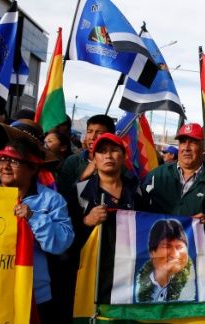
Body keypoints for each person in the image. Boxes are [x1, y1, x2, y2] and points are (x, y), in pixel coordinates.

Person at [54, 133, 147, 323]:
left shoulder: (138, 192)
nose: (108, 156)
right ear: (93, 158)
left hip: (127, 280)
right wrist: (85, 222)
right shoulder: (78, 192)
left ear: (124, 156)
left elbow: (151, 229)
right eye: (102, 152)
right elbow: (63, 239)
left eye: (114, 150)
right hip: (89, 279)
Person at [0, 137, 74, 324]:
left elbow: (60, 244)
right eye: (2, 159)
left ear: (33, 168)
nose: (5, 166)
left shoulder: (52, 201)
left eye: (14, 161)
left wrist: (34, 218)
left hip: (34, 294)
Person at [141, 123, 205, 221]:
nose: (186, 148)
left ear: (203, 147)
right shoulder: (157, 175)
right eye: (183, 142)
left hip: (198, 236)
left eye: (192, 142)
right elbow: (139, 208)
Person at [135, 219, 195, 303]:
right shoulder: (137, 284)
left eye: (179, 247)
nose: (175, 254)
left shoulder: (198, 282)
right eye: (167, 247)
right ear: (152, 252)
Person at [57, 114, 115, 199]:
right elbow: (62, 195)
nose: (92, 137)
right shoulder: (73, 161)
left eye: (99, 133)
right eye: (89, 131)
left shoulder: (117, 164)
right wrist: (83, 177)